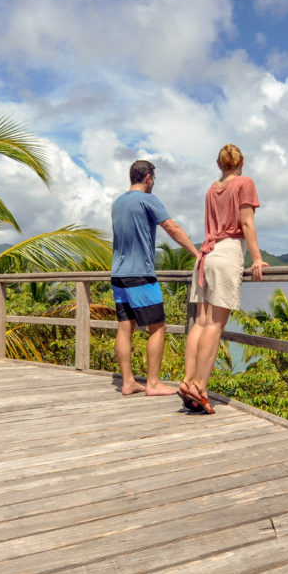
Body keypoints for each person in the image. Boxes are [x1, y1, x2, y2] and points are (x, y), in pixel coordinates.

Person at [180, 144, 268, 413]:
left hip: (205, 256)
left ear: (219, 165)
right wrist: (256, 258)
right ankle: (199, 386)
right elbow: (246, 223)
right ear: (242, 162)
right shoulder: (244, 182)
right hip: (227, 252)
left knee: (201, 323)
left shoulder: (211, 188)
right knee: (214, 326)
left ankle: (188, 380)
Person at [111, 159, 199, 396]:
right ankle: (153, 383)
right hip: (140, 274)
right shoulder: (148, 200)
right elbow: (173, 229)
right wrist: (197, 254)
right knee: (158, 326)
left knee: (124, 327)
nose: (154, 184)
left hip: (118, 275)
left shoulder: (118, 202)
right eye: (154, 179)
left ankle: (127, 382)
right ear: (148, 178)